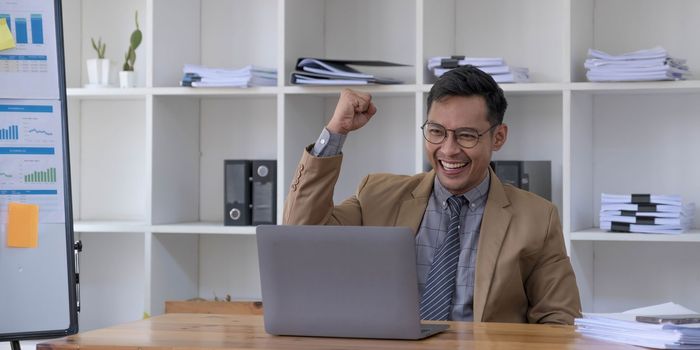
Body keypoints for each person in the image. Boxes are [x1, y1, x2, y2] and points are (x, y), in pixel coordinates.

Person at [283, 65, 581, 324]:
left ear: (498, 137)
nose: (448, 149)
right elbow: (300, 237)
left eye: (466, 135)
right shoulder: (376, 195)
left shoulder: (538, 219)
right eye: (436, 131)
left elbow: (559, 322)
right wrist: (335, 133)